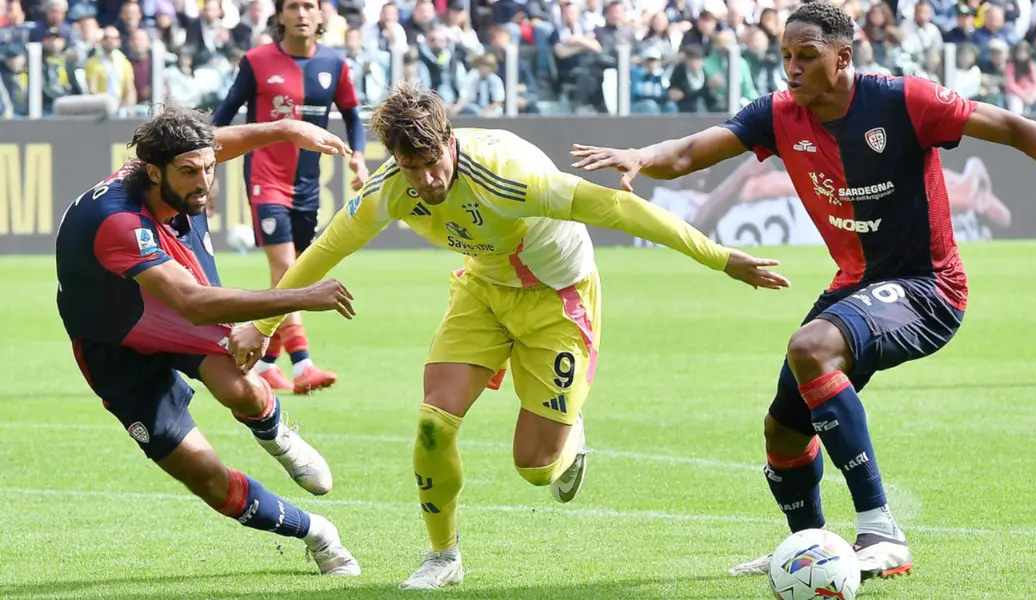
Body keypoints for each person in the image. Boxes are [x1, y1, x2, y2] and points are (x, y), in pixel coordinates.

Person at [569, 2, 1036, 583]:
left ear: (843, 57)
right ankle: (808, 549)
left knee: (811, 346)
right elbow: (689, 154)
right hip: (856, 285)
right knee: (782, 432)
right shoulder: (777, 113)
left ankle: (881, 531)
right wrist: (642, 156)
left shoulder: (903, 100)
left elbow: (1012, 127)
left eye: (806, 55)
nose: (791, 68)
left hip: (929, 287)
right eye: (786, 56)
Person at [227, 81, 791, 590]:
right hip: (484, 290)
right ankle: (443, 556)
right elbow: (325, 249)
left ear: (449, 142)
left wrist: (720, 258)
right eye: (410, 167)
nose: (426, 180)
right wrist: (262, 323)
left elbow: (619, 209)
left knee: (535, 467)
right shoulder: (391, 188)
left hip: (558, 299)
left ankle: (571, 434)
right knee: (433, 423)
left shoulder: (510, 176)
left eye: (432, 162)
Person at [55, 106, 362, 576]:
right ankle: (318, 533)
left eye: (208, 169)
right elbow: (195, 304)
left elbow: (217, 144)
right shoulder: (118, 221)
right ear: (153, 172)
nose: (204, 183)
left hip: (171, 291)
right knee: (206, 478)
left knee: (243, 388)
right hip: (114, 341)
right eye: (189, 172)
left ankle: (276, 435)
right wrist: (301, 296)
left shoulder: (172, 172)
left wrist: (284, 128)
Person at [212, 0, 370, 395]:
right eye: (293, 6)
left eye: (309, 6)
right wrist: (207, 171)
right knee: (285, 267)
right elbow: (223, 115)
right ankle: (303, 364)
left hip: (308, 185)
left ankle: (268, 363)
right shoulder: (256, 61)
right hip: (266, 179)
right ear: (280, 15)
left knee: (294, 273)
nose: (301, 13)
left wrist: (359, 158)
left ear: (320, 15)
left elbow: (352, 114)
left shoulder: (334, 64)